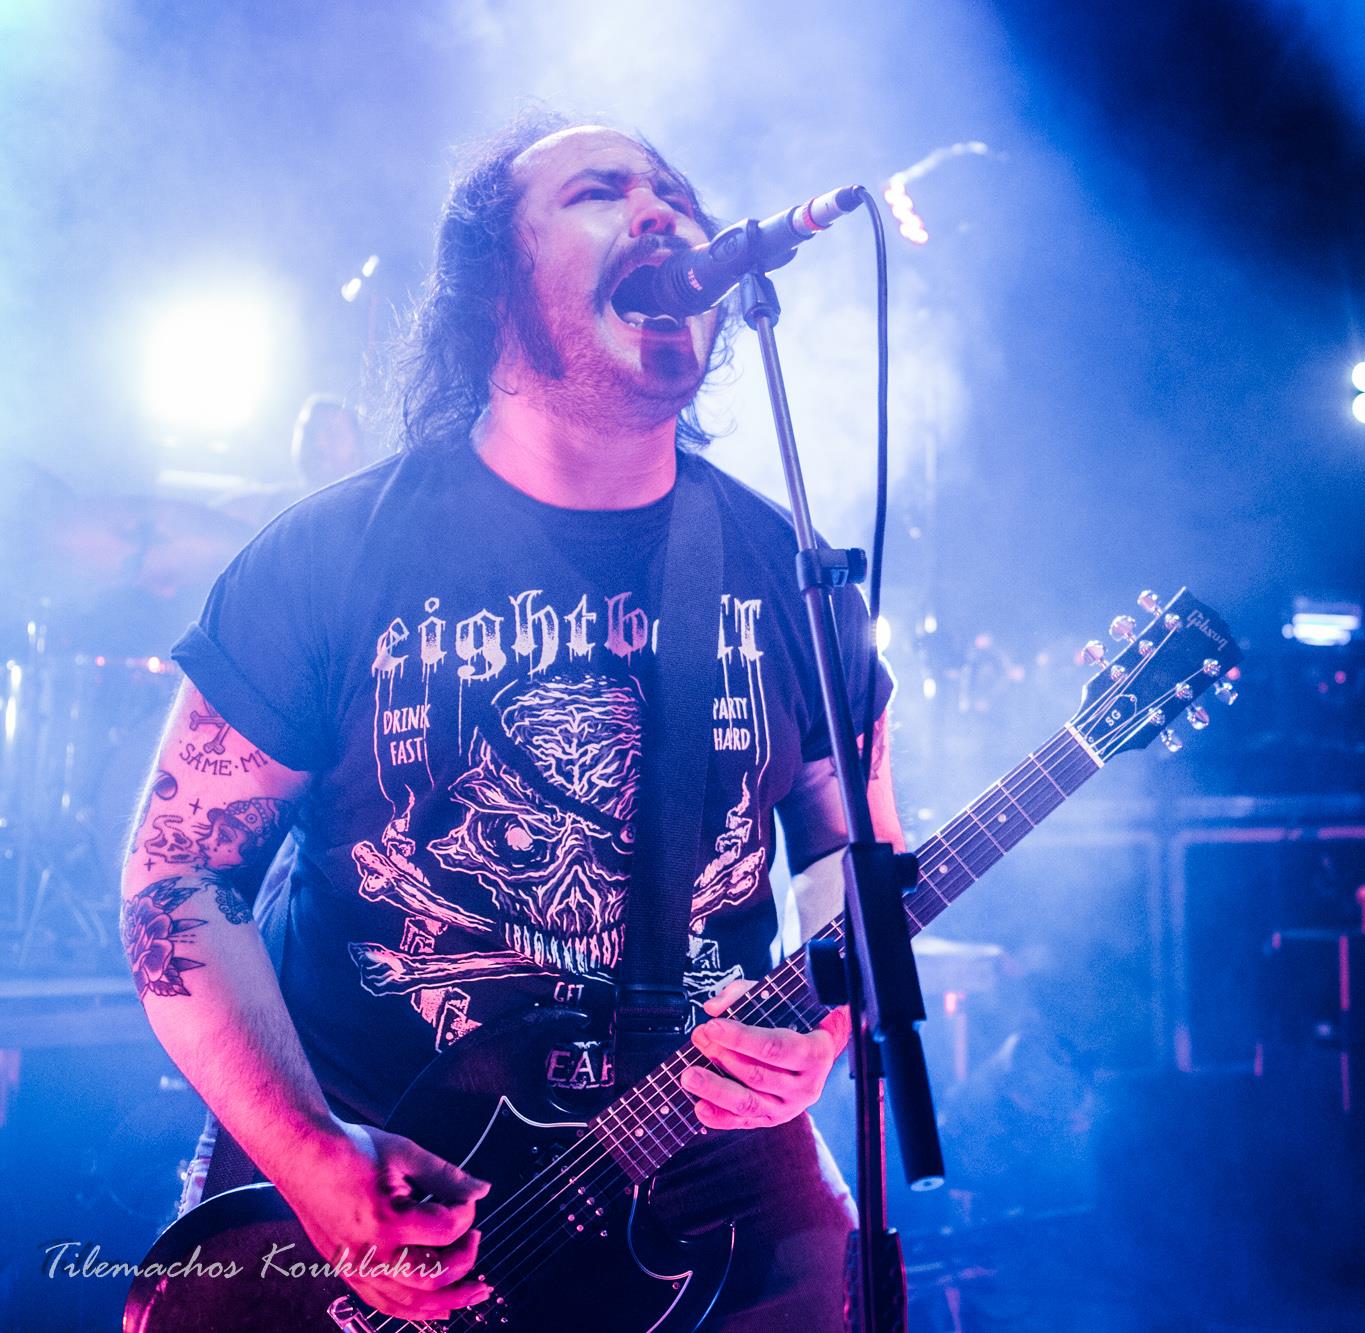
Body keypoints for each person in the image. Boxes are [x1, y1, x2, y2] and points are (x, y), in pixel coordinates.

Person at [120, 112, 903, 1329]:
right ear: (492, 287)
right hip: (379, 1200)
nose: (663, 212)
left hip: (703, 1175)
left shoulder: (784, 570)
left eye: (676, 194)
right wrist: (311, 1158)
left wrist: (830, 1019)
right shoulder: (332, 556)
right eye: (600, 190)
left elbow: (852, 853)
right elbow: (177, 875)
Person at [214, 394, 373, 527]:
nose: (319, 444)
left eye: (333, 434)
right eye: (309, 432)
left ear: (359, 448)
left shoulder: (373, 517)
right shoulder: (255, 508)